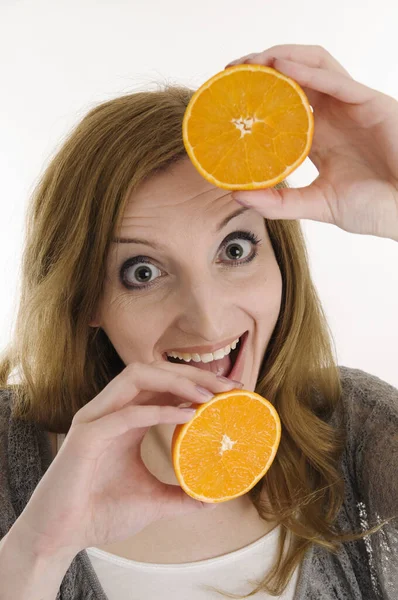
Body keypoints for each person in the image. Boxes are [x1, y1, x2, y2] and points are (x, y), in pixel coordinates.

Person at [0, 43, 397, 600]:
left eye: (235, 249)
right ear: (84, 296)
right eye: (142, 271)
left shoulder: (361, 433)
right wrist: (35, 552)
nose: (208, 318)